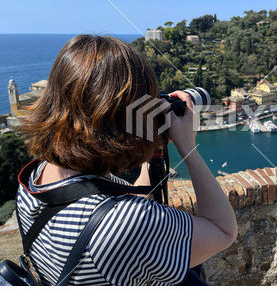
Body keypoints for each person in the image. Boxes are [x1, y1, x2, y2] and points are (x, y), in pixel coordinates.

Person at [16, 34, 238, 285]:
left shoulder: (35, 179)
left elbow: (121, 203)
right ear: (128, 118)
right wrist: (188, 147)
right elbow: (223, 231)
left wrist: (155, 142)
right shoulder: (127, 225)